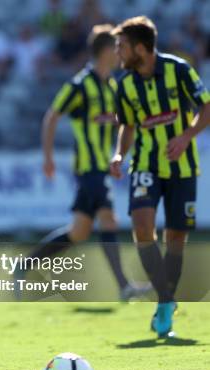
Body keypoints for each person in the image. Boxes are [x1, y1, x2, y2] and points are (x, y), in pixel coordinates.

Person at [20, 24, 150, 301]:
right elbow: (52, 116)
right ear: (105, 51)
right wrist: (48, 157)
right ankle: (124, 286)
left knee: (79, 232)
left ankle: (24, 265)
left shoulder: (112, 85)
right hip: (88, 167)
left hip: (102, 165)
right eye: (116, 48)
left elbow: (119, 124)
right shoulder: (80, 84)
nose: (119, 54)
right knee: (109, 220)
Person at [110, 16, 210, 337]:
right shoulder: (124, 85)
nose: (118, 52)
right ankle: (166, 298)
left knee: (176, 239)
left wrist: (186, 136)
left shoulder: (179, 69)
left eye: (122, 46)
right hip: (145, 165)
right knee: (142, 229)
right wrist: (119, 154)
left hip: (182, 167)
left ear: (141, 48)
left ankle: (164, 305)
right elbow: (127, 125)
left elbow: (207, 107)